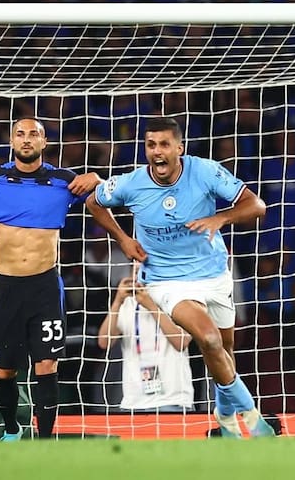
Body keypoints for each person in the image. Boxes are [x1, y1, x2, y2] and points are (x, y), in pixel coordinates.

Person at [85, 116, 274, 438]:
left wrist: (220, 218)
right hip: (165, 280)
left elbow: (256, 205)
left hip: (214, 274)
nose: (157, 151)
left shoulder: (205, 171)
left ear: (179, 148)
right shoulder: (130, 183)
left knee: (224, 350)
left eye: (164, 144)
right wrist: (123, 239)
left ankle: (225, 417)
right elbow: (93, 201)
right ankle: (253, 418)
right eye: (150, 145)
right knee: (209, 339)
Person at [0, 117, 103, 440]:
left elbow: (103, 197)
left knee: (47, 365)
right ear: (12, 142)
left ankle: (43, 441)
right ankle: (12, 429)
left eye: (34, 134)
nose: (27, 139)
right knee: (4, 370)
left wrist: (98, 179)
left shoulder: (64, 181)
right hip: (6, 287)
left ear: (45, 142)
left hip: (45, 287)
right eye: (20, 134)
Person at [98, 270, 194, 413]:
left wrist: (151, 306)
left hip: (173, 400)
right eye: (135, 270)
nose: (139, 274)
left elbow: (181, 342)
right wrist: (117, 302)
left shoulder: (178, 297)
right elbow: (104, 342)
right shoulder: (128, 302)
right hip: (133, 402)